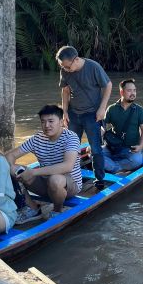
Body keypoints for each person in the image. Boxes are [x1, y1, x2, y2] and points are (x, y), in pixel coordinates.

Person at [5, 104, 82, 224]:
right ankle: (32, 208)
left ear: (61, 122)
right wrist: (13, 173)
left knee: (55, 180)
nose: (46, 126)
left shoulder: (71, 137)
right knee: (11, 169)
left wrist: (33, 172)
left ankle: (57, 210)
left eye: (51, 121)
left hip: (69, 185)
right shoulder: (38, 138)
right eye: (43, 122)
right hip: (44, 183)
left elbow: (68, 166)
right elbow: (10, 155)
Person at [56, 45, 112, 190]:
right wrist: (65, 111)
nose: (65, 70)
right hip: (74, 114)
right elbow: (65, 90)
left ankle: (99, 179)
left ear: (76, 60)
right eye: (63, 67)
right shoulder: (64, 70)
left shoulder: (93, 67)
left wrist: (102, 108)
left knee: (95, 148)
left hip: (92, 114)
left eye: (67, 67)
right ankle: (70, 177)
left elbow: (108, 85)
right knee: (70, 146)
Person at [102, 79, 143, 173]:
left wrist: (140, 146)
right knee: (94, 153)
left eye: (134, 90)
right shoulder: (111, 109)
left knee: (137, 160)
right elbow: (103, 127)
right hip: (112, 147)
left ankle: (111, 166)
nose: (133, 93)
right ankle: (118, 168)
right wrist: (93, 143)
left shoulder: (139, 110)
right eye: (129, 90)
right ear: (122, 92)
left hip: (130, 150)